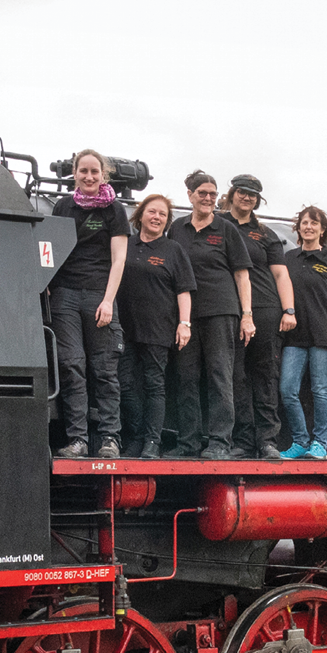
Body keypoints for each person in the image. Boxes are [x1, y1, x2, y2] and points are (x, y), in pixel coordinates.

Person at [47, 150, 131, 459]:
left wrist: (108, 300)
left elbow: (119, 258)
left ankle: (110, 437)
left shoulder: (114, 210)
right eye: (83, 170)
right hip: (66, 294)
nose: (89, 176)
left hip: (99, 293)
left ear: (103, 174)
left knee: (104, 369)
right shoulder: (63, 206)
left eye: (94, 171)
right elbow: (50, 248)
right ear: (75, 173)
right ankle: (78, 439)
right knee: (72, 366)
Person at [167, 171, 253, 459]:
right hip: (186, 316)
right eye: (202, 193)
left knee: (220, 376)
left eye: (212, 194)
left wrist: (247, 315)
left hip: (221, 310)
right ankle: (188, 442)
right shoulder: (176, 229)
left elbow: (242, 276)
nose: (207, 198)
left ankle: (220, 442)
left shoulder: (226, 229)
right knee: (186, 377)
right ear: (190, 195)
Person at [117, 193, 195, 459]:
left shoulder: (173, 250)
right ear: (141, 215)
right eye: (152, 212)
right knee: (125, 384)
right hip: (123, 327)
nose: (157, 217)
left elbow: (184, 291)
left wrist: (184, 324)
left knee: (154, 385)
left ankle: (152, 441)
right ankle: (137, 435)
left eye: (162, 214)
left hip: (158, 328)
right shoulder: (125, 244)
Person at [222, 174, 295, 459]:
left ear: (258, 200)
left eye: (252, 194)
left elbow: (280, 273)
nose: (247, 197)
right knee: (235, 376)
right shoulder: (217, 224)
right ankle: (242, 441)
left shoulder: (266, 234)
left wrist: (288, 310)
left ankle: (267, 441)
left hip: (265, 308)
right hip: (228, 308)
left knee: (265, 376)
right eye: (242, 192)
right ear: (232, 194)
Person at [277, 206, 327, 459]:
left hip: (325, 334)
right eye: (304, 222)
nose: (309, 227)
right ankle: (300, 441)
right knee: (287, 389)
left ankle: (319, 444)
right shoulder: (288, 259)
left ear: (323, 229)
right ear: (298, 227)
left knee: (321, 389)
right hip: (295, 335)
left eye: (314, 223)